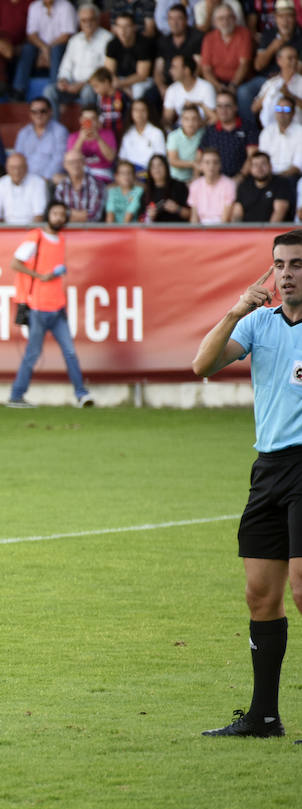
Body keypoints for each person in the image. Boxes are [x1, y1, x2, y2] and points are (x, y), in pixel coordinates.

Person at [188, 233, 302, 738]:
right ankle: (264, 717)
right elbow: (202, 364)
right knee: (260, 596)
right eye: (279, 265)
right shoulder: (258, 323)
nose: (286, 274)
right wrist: (234, 311)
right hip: (268, 469)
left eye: (296, 265)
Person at [6, 201, 93, 409]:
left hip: (57, 306)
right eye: (55, 213)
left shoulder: (61, 238)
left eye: (62, 214)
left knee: (70, 352)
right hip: (37, 306)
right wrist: (40, 276)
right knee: (33, 353)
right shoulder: (36, 237)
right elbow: (15, 263)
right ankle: (16, 395)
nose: (58, 217)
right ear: (47, 215)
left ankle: (81, 394)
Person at [0, 151, 48, 223]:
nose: (16, 172)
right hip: (8, 230)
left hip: (31, 229)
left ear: (26, 167)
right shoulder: (2, 182)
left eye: (20, 167)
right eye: (12, 168)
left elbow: (39, 216)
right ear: (7, 168)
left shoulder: (38, 182)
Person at [231, 151, 293, 222]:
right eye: (255, 165)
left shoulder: (281, 183)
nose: (259, 168)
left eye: (263, 164)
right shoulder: (244, 186)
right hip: (247, 231)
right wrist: (237, 231)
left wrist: (269, 232)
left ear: (270, 166)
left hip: (272, 231)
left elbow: (279, 213)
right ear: (250, 169)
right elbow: (237, 214)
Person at [187, 147, 236, 222]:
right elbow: (194, 217)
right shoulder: (195, 185)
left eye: (215, 162)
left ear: (220, 165)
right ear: (201, 165)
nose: (211, 166)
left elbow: (225, 219)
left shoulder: (229, 184)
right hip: (201, 228)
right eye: (207, 162)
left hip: (221, 228)